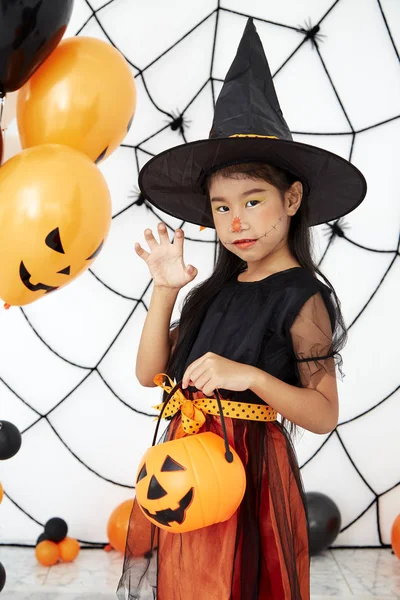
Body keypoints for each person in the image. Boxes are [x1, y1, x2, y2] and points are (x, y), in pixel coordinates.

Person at [117, 18, 366, 600]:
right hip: (187, 458)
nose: (237, 221)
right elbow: (149, 373)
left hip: (248, 469)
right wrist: (165, 291)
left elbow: (322, 412)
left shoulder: (301, 297)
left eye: (253, 201)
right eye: (222, 207)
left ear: (292, 199)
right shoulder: (215, 291)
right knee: (195, 582)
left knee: (241, 581)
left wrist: (247, 375)